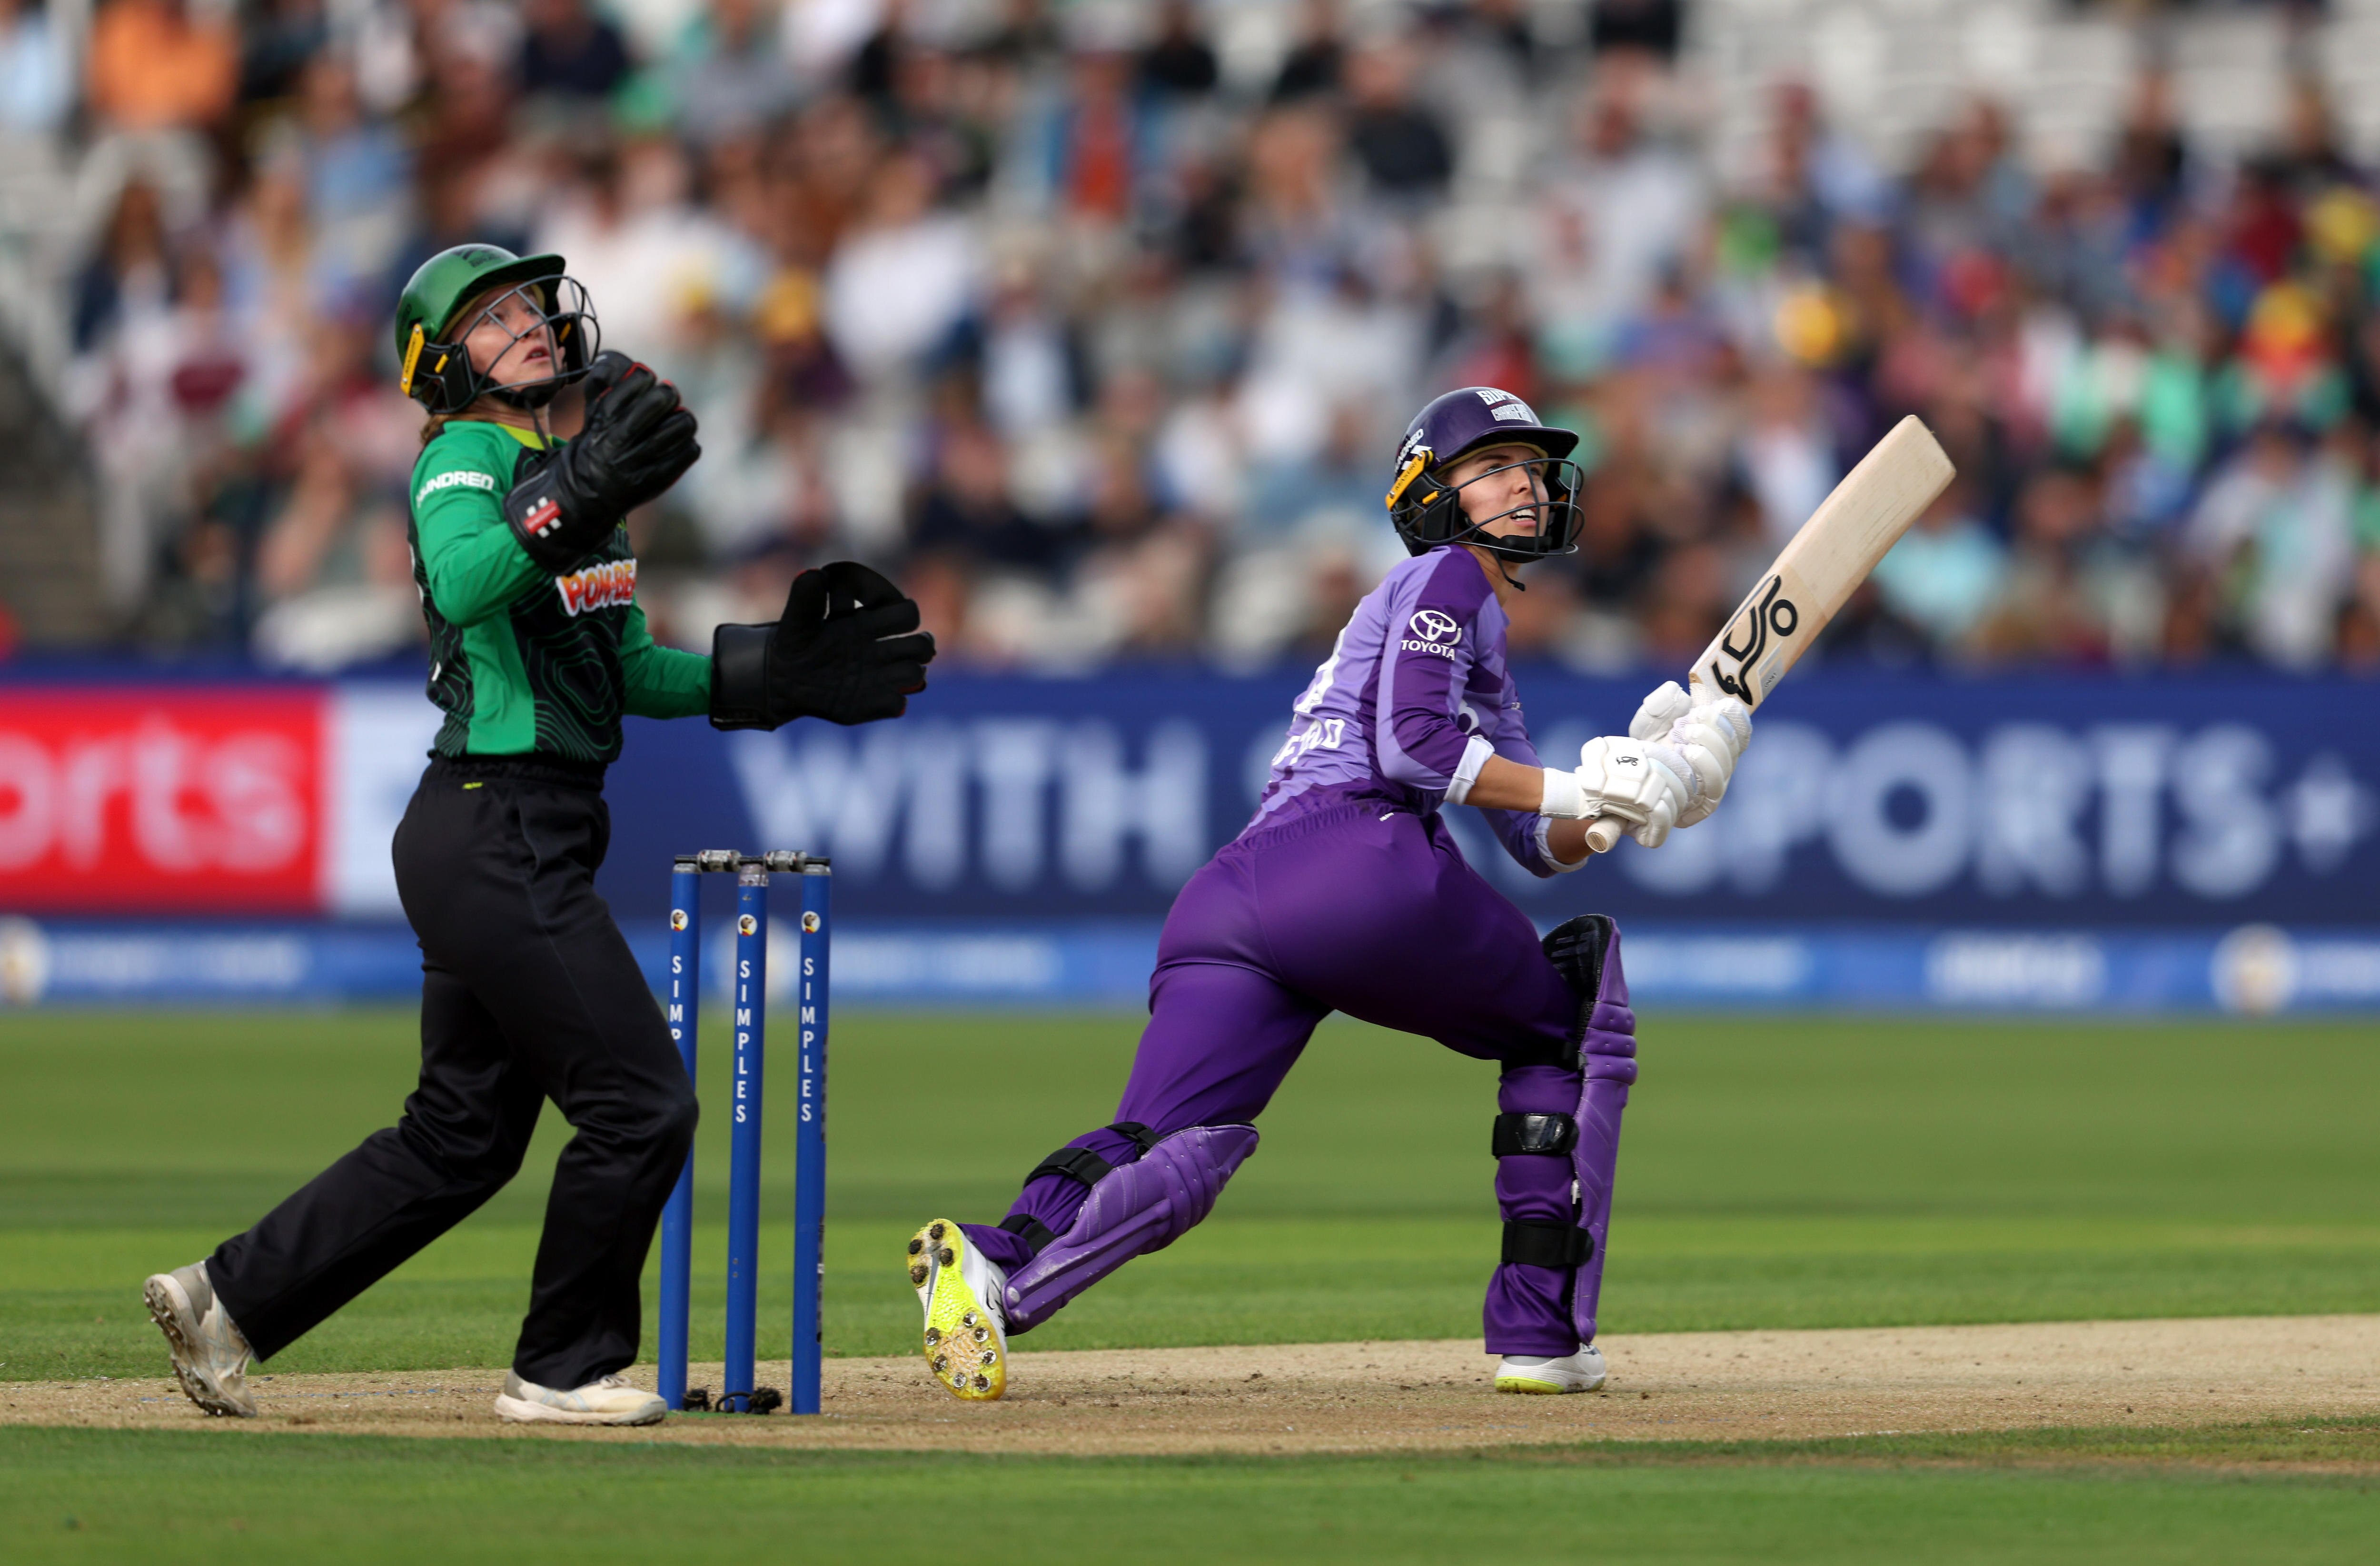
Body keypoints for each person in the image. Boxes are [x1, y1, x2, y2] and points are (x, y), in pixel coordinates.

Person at [143, 243, 935, 1426]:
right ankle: (560, 1362)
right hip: (491, 818)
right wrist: (585, 482)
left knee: (461, 1137)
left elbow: (628, 672)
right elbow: (465, 583)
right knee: (642, 1103)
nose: (522, 321)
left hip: (522, 830)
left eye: (527, 304)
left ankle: (225, 1301)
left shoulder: (568, 480)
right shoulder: (465, 456)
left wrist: (774, 673)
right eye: (489, 315)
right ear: (439, 362)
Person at [906, 386, 1749, 1401]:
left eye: (1531, 466)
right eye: (1493, 467)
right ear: (1429, 492)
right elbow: (1415, 748)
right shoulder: (1448, 575)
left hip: (1232, 897)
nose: (1524, 483)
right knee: (1567, 1013)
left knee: (1173, 1144)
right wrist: (1594, 781)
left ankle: (993, 1267)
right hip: (1357, 862)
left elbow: (1532, 839)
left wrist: (1638, 792)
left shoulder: (1459, 622)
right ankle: (1542, 1332)